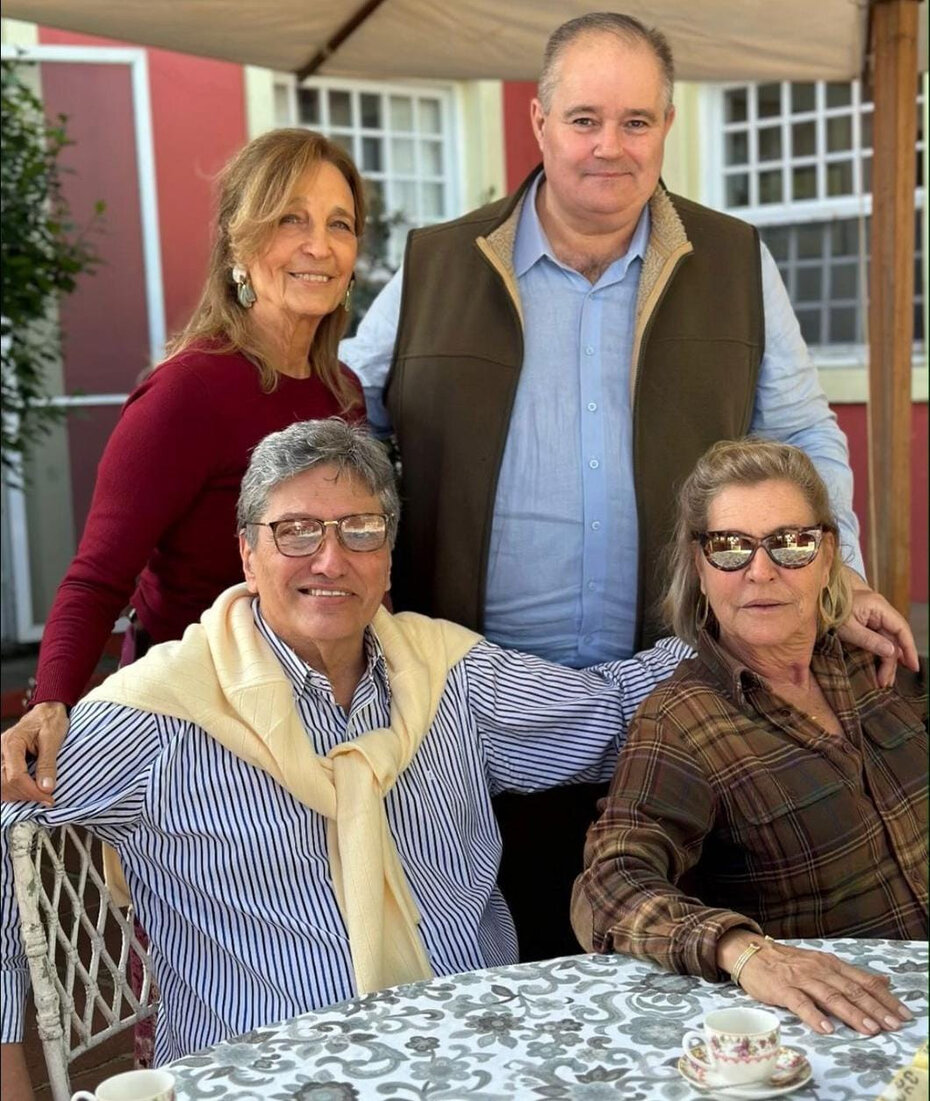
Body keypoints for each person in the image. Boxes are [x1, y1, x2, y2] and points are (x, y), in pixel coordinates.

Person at [339, 10, 919, 959]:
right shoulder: (437, 261)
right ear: (537, 121)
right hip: (473, 713)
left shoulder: (733, 261)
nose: (610, 146)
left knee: (671, 966)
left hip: (680, 700)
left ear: (668, 125)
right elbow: (347, 414)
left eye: (637, 121)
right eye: (585, 119)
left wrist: (836, 575)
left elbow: (805, 431)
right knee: (489, 971)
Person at [1, 418, 689, 1094]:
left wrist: (748, 620)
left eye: (359, 529)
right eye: (296, 530)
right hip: (259, 1079)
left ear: (387, 555)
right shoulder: (160, 711)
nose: (330, 559)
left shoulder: (450, 675)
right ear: (246, 552)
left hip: (476, 1057)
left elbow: (612, 711)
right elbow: (6, 811)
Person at [3, 127, 366, 807]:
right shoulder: (186, 393)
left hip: (319, 725)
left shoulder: (342, 393)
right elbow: (98, 575)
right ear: (239, 240)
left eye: (338, 224)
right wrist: (50, 702)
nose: (320, 245)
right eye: (292, 218)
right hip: (196, 732)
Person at [571, 438, 927, 1036]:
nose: (760, 571)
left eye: (790, 543)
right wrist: (745, 953)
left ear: (827, 553)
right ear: (700, 567)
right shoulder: (682, 720)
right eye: (730, 547)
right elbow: (608, 887)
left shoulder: (872, 665)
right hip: (850, 1030)